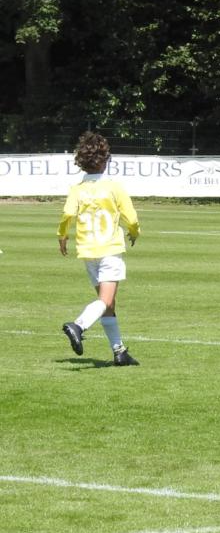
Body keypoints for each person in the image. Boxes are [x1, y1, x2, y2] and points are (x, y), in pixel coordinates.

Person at [57, 131, 141, 366]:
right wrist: (134, 232)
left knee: (108, 304)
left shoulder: (77, 189)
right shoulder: (114, 187)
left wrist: (62, 235)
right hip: (109, 250)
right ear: (105, 159)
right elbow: (131, 218)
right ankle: (78, 325)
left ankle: (119, 351)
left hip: (87, 252)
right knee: (105, 301)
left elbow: (67, 215)